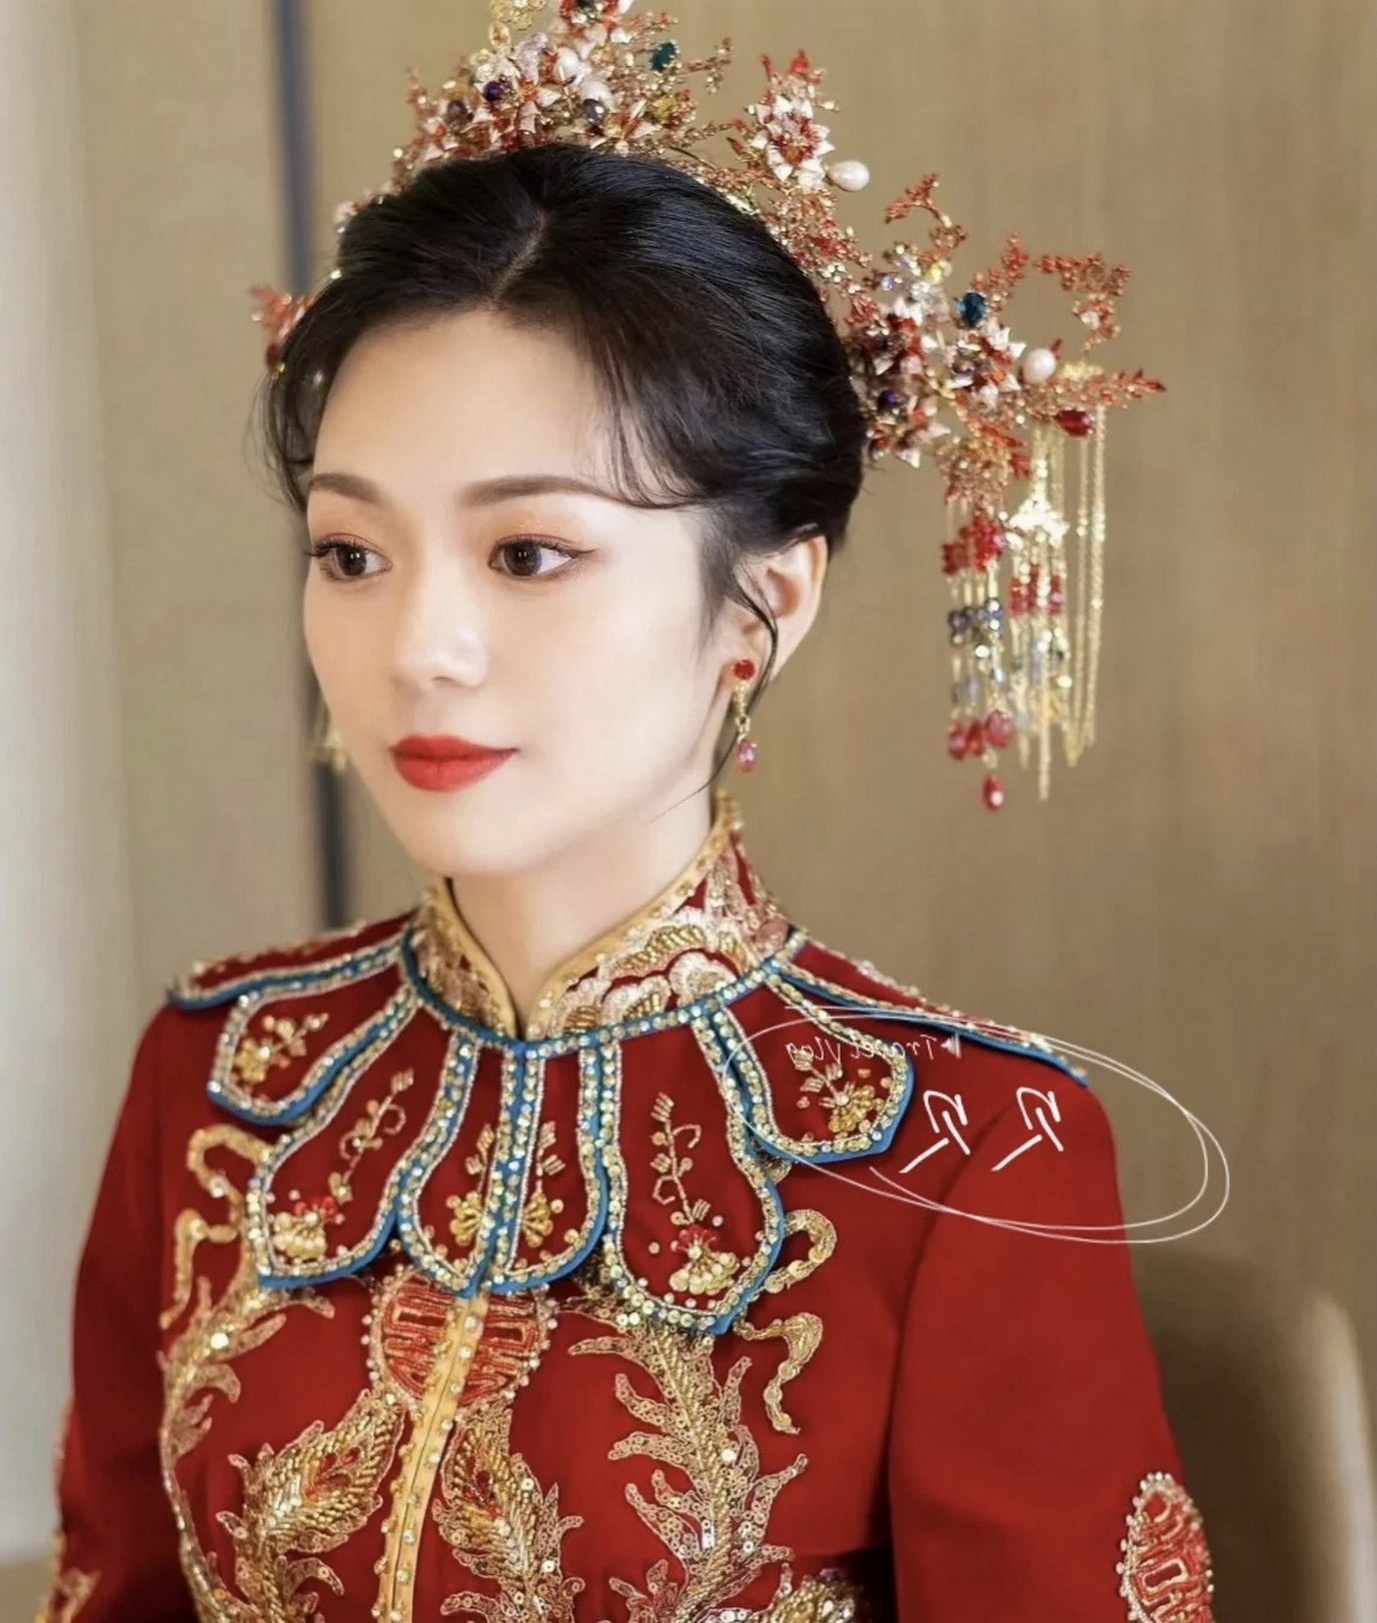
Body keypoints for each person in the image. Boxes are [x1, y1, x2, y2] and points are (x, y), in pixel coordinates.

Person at [37, 10, 1215, 1622]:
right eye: (351, 553)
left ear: (763, 605)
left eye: (528, 554)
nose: (417, 646)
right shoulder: (222, 1075)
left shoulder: (966, 1153)